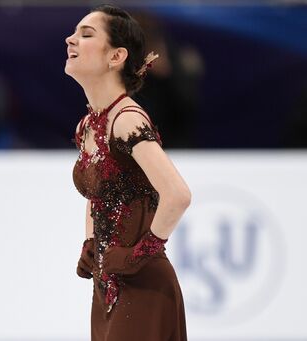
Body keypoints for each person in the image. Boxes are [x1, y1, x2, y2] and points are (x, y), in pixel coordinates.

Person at [65, 5, 191, 340]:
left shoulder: (127, 120)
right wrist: (91, 241)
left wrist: (140, 254)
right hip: (107, 285)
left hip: (143, 286)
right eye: (74, 33)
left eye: (86, 34)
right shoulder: (88, 126)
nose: (70, 39)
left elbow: (178, 195)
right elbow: (98, 192)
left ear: (116, 56)